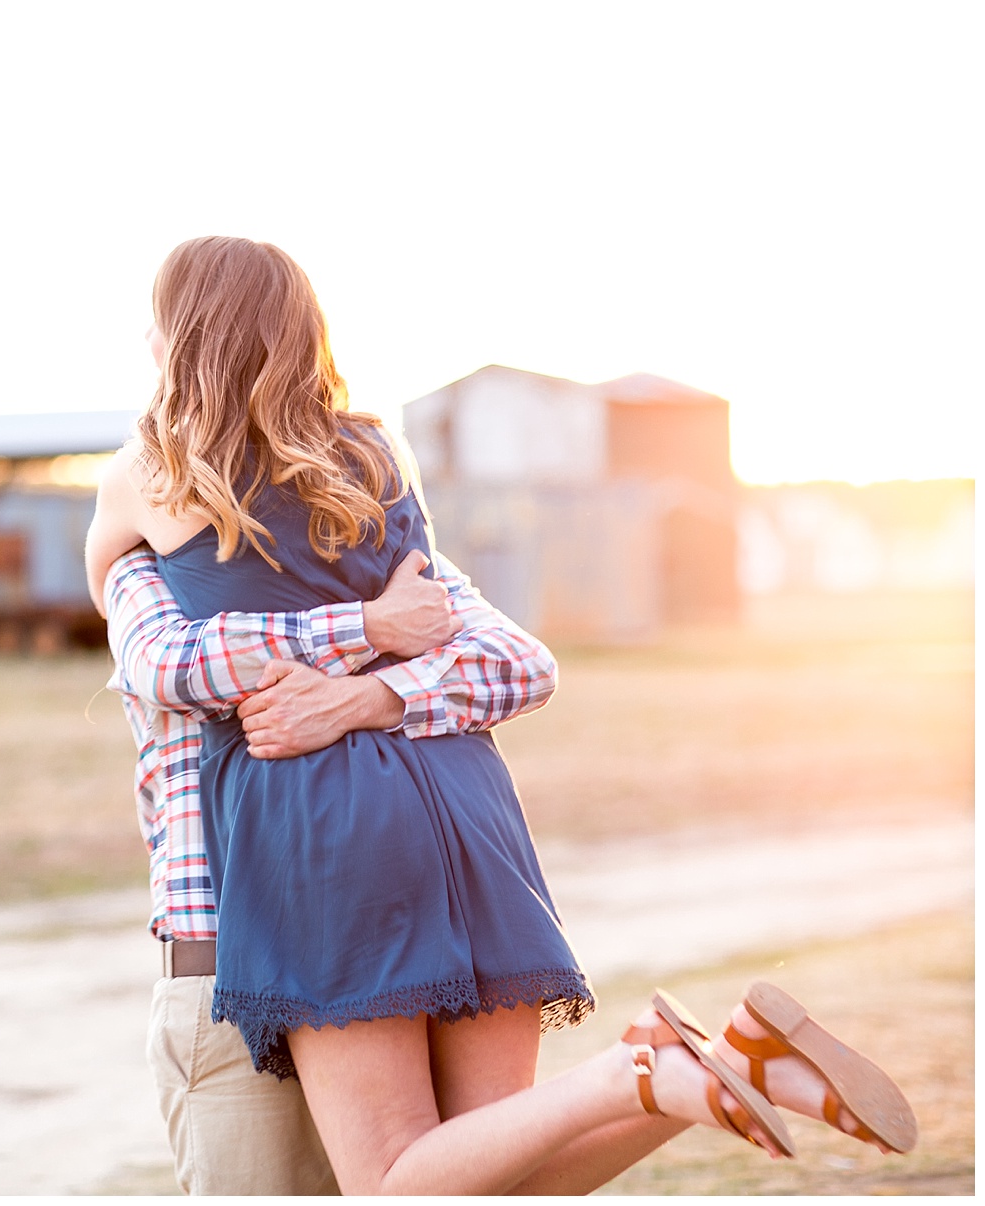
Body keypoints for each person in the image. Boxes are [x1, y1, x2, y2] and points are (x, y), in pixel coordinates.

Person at [85, 235, 917, 1195]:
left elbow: (153, 650)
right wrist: (378, 640)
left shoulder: (152, 469)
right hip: (461, 805)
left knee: (399, 1179)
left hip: (317, 838)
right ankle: (729, 1061)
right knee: (492, 1170)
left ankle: (638, 1074)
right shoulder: (373, 462)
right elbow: (502, 650)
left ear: (183, 332)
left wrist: (335, 681)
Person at [103, 542, 557, 1193]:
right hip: (231, 960)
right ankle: (659, 1079)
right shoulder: (154, 562)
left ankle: (643, 1081)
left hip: (363, 943)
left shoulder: (371, 547)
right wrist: (373, 626)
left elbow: (523, 665)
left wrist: (371, 696)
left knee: (461, 1184)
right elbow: (172, 667)